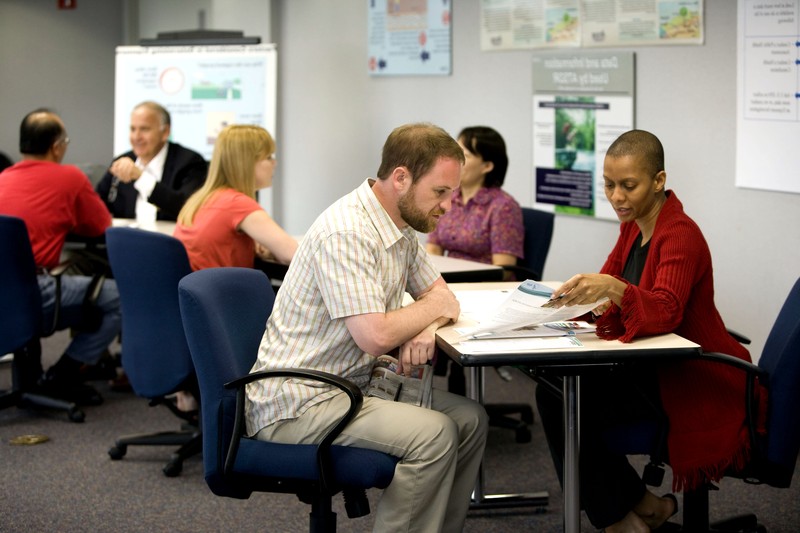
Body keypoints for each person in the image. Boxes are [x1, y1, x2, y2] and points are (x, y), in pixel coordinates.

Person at [246, 123, 489, 533]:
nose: (449, 205)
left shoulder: (401, 228)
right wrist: (430, 310)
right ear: (400, 178)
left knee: (470, 420)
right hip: (299, 400)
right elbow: (376, 335)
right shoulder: (348, 232)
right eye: (440, 192)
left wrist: (425, 327)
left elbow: (444, 298)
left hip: (351, 385)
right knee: (433, 435)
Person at [535, 130, 753, 532]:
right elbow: (611, 290)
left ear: (658, 181)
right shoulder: (633, 228)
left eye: (628, 186)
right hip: (651, 367)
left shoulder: (680, 234)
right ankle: (641, 507)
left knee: (567, 397)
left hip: (696, 377)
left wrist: (613, 289)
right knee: (557, 387)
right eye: (609, 184)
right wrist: (575, 301)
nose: (617, 196)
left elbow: (666, 310)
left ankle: (622, 519)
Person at [0, 109, 121, 405]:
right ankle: (62, 374)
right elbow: (101, 225)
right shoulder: (70, 177)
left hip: (5, 292)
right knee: (119, 298)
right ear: (56, 146)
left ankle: (34, 378)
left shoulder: (3, 178)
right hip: (34, 290)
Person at [173, 124, 297, 271]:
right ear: (247, 163)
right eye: (268, 157)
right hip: (222, 292)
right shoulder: (238, 204)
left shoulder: (201, 199)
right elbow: (293, 254)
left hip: (192, 291)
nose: (274, 163)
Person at [426, 125, 523, 268]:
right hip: (448, 281)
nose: (454, 162)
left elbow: (504, 268)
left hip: (483, 285)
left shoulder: (503, 206)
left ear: (487, 166)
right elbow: (433, 247)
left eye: (464, 156)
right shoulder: (448, 197)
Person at [95, 101, 207, 223]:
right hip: (127, 239)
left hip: (170, 239)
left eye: (144, 129)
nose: (136, 137)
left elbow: (185, 207)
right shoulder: (122, 161)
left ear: (165, 132)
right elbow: (96, 203)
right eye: (133, 129)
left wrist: (140, 177)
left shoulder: (189, 162)